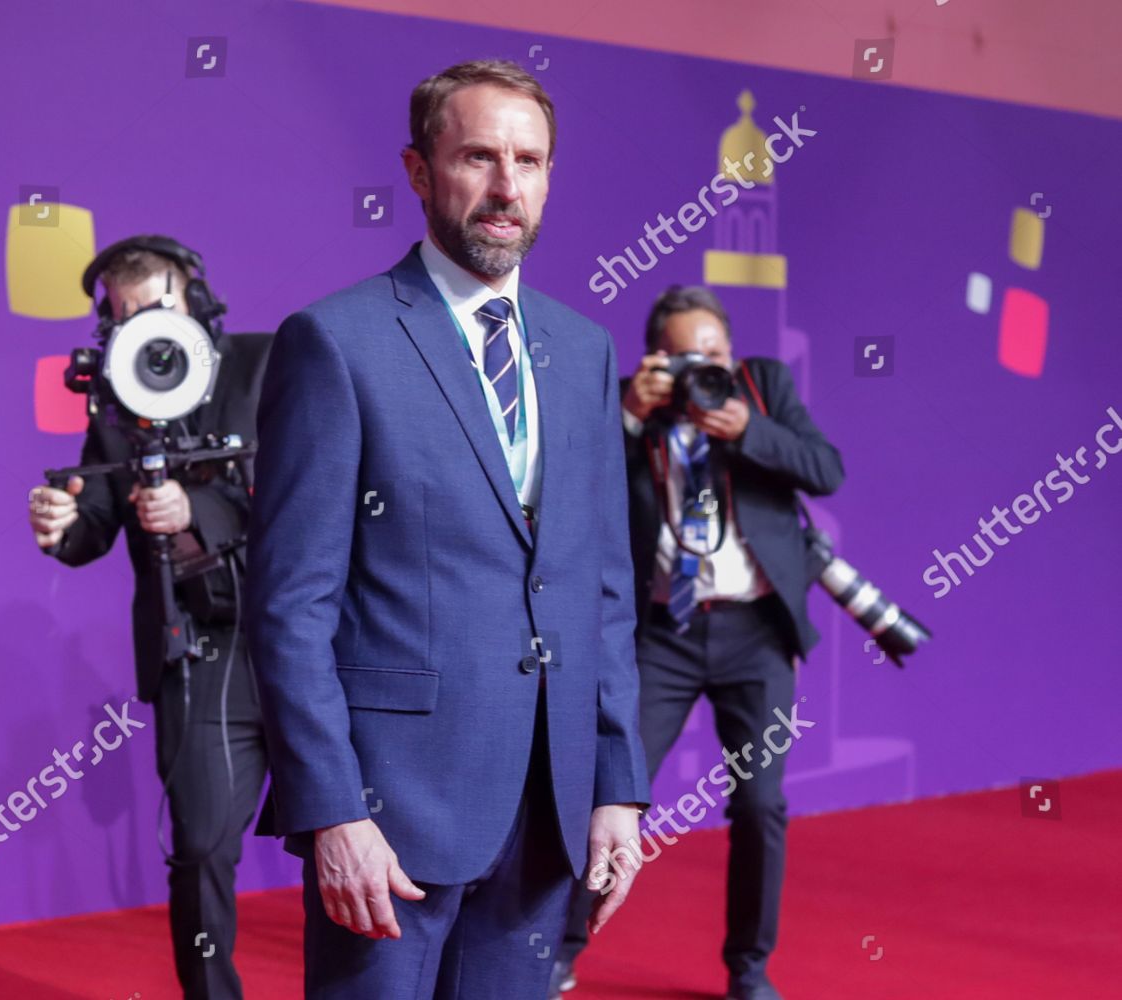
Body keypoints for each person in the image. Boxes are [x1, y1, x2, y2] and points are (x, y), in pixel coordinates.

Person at [246, 60, 650, 999]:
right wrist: (333, 810)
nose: (508, 186)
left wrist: (617, 785)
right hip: (393, 819)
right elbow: (291, 606)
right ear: (420, 172)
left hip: (551, 813)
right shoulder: (336, 342)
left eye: (530, 160)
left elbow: (603, 587)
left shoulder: (583, 349)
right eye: (478, 156)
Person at [552, 285, 844, 1000]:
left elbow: (826, 469)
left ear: (733, 353)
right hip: (664, 636)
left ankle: (749, 969)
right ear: (657, 356)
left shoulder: (762, 386)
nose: (702, 370)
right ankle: (556, 948)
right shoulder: (631, 404)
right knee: (608, 796)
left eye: (714, 354)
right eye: (686, 357)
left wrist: (747, 427)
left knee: (759, 804)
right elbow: (567, 494)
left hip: (755, 631)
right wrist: (628, 417)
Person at [27, 236, 272, 1000]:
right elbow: (92, 524)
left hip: (307, 643)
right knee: (198, 847)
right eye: (123, 314)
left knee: (358, 840)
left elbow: (312, 491)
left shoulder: (267, 365)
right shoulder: (117, 402)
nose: (144, 329)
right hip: (197, 651)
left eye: (157, 306)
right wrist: (59, 523)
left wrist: (197, 507)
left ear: (194, 296)